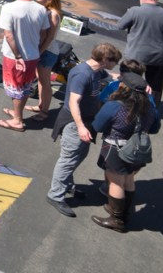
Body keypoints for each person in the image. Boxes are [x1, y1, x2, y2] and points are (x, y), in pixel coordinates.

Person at [45, 43, 122, 217]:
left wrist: (134, 81)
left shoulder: (97, 71)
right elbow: (74, 102)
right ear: (105, 60)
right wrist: (80, 127)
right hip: (74, 123)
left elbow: (112, 76)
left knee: (79, 155)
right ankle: (55, 195)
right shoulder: (82, 74)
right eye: (114, 61)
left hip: (86, 121)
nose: (115, 64)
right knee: (68, 159)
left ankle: (67, 185)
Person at [88, 70, 160, 232]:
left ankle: (116, 219)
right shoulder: (150, 108)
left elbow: (98, 125)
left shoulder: (115, 105)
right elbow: (155, 128)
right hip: (137, 149)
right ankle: (124, 213)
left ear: (123, 86)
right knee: (128, 179)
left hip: (116, 149)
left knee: (116, 182)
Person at [0, 0, 52, 132]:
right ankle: (17, 113)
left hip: (14, 56)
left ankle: (17, 121)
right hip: (32, 55)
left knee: (16, 89)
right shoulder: (41, 9)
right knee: (25, 86)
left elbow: (9, 35)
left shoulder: (9, 8)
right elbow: (43, 34)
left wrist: (18, 56)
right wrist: (35, 48)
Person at [114, 0, 163, 102]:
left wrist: (129, 14)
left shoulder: (134, 11)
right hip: (158, 58)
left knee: (129, 83)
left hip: (135, 56)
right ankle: (151, 109)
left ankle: (126, 106)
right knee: (155, 88)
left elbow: (120, 26)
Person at [30, 0, 64, 121]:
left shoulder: (53, 14)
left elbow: (50, 37)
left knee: (45, 82)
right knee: (40, 80)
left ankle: (44, 111)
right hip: (43, 50)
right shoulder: (46, 11)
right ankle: (41, 105)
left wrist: (39, 52)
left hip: (47, 51)